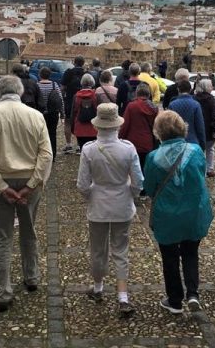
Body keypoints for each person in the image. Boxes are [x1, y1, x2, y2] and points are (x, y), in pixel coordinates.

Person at [0, 75, 53, 313]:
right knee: (29, 231)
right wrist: (32, 185)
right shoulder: (35, 116)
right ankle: (31, 277)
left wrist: (0, 185)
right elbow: (46, 154)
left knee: (2, 236)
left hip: (2, 180)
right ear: (20, 91)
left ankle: (3, 291)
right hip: (29, 179)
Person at [76, 103, 143, 318]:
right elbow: (138, 181)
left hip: (98, 205)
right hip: (122, 203)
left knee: (98, 248)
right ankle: (123, 296)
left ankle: (98, 288)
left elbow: (83, 184)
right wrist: (130, 194)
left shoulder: (89, 150)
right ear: (117, 126)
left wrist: (92, 196)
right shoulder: (128, 148)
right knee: (120, 249)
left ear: (97, 126)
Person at [144, 110, 213, 314]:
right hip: (194, 211)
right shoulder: (196, 151)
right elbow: (201, 175)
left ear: (159, 132)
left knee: (170, 256)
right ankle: (193, 293)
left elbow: (148, 188)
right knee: (191, 253)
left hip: (167, 215)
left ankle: (175, 300)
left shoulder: (153, 157)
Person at [119, 83, 158, 180]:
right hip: (148, 142)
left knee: (134, 166)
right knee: (146, 165)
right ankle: (145, 187)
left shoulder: (131, 106)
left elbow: (125, 125)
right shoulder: (154, 108)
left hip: (132, 142)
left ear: (137, 93)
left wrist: (120, 138)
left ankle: (136, 186)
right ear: (148, 94)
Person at [168, 81, 205, 150]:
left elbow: (169, 126)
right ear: (190, 90)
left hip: (176, 144)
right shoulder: (196, 105)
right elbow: (200, 127)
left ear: (178, 89)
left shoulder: (172, 105)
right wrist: (202, 144)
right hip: (192, 144)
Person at [38, 67, 65, 161]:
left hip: (40, 114)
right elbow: (60, 100)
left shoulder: (37, 86)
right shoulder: (54, 85)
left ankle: (41, 154)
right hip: (53, 113)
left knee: (40, 135)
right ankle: (52, 154)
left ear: (40, 75)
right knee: (52, 134)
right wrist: (62, 114)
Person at [194, 79, 215, 177]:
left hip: (197, 128)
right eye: (211, 86)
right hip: (209, 129)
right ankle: (209, 169)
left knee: (199, 150)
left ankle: (199, 169)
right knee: (210, 149)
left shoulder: (195, 98)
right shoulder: (211, 99)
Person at [61, 56, 86, 154]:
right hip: (82, 101)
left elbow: (62, 87)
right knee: (80, 122)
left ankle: (68, 145)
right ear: (83, 63)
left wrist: (64, 96)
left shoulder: (68, 72)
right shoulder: (85, 73)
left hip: (70, 100)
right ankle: (79, 145)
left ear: (74, 62)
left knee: (67, 122)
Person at [71, 74, 99, 151]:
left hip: (80, 128)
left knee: (83, 151)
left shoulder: (76, 96)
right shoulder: (95, 95)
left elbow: (73, 113)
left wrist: (72, 128)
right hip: (94, 128)